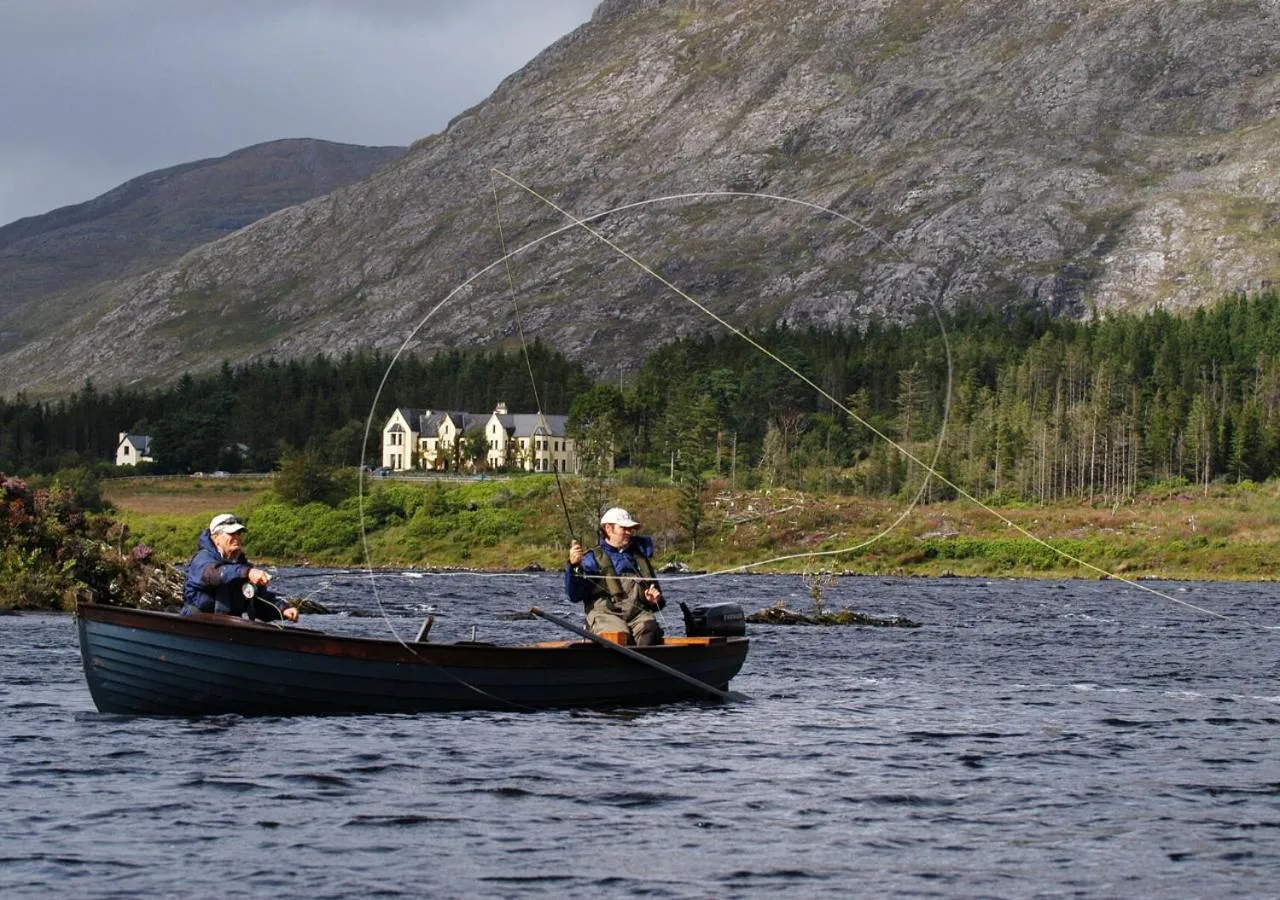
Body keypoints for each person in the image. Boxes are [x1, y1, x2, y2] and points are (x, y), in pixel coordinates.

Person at [564, 507, 664, 645]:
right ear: (608, 528)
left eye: (630, 529)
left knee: (650, 628)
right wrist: (573, 566)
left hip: (637, 615)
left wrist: (653, 600)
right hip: (605, 615)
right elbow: (573, 595)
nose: (629, 533)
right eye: (624, 528)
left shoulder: (638, 557)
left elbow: (659, 603)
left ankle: (640, 665)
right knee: (619, 635)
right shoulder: (591, 558)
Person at [181, 513, 298, 621]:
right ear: (215, 537)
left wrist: (283, 609)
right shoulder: (202, 559)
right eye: (231, 533)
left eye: (239, 533)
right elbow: (213, 575)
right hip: (197, 623)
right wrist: (247, 573)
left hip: (228, 626)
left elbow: (259, 601)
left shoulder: (242, 565)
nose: (237, 537)